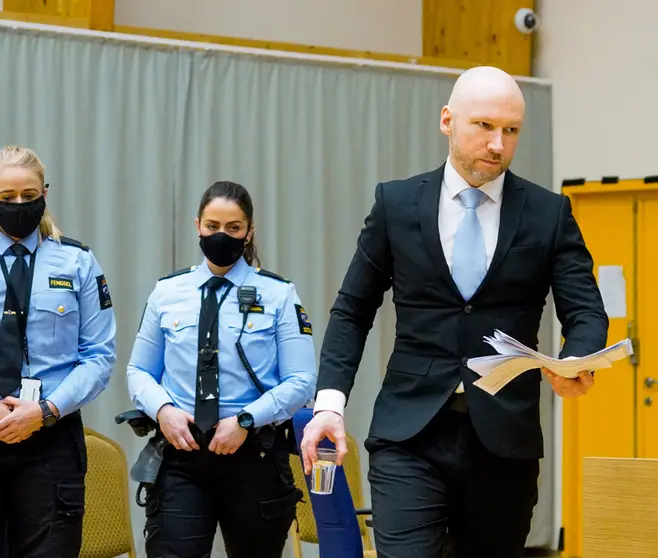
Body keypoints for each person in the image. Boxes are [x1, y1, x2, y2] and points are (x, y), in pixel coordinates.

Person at [300, 66, 609, 557]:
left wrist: (579, 358)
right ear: (448, 120)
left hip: (504, 443)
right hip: (410, 434)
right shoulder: (397, 204)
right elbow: (353, 310)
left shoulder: (549, 213)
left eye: (511, 131)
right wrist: (329, 406)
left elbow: (586, 311)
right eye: (484, 126)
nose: (498, 144)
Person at [126, 181, 317, 558]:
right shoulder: (167, 292)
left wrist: (246, 420)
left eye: (233, 228)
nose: (221, 235)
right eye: (212, 226)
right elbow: (138, 371)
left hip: (254, 458)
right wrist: (163, 411)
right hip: (182, 455)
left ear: (249, 232)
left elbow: (302, 380)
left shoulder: (278, 294)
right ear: (198, 226)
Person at [0, 145, 117, 557]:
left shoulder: (77, 262)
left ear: (44, 194)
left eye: (28, 196)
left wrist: (46, 410)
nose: (18, 205)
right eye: (6, 197)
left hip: (51, 440)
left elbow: (99, 355)